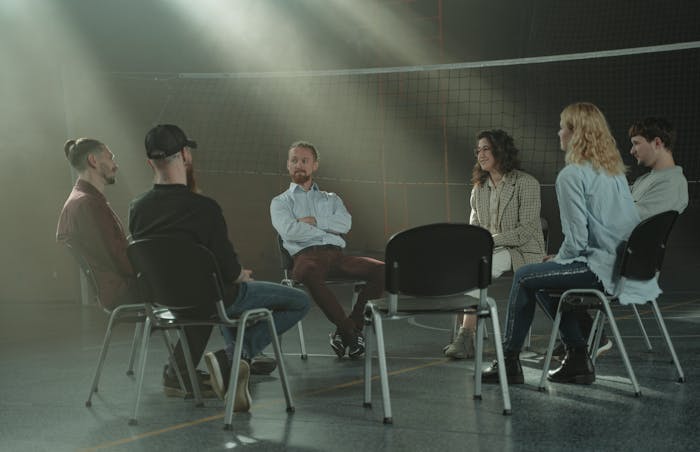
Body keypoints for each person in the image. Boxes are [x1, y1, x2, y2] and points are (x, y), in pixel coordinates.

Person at [129, 124, 310, 411]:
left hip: (169, 299)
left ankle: (180, 374)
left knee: (197, 293)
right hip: (215, 298)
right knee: (299, 301)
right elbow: (229, 271)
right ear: (186, 155)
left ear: (150, 161)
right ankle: (234, 356)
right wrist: (242, 275)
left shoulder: (136, 209)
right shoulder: (204, 208)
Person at [481, 102, 660, 385]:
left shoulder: (571, 175)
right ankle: (578, 355)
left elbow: (576, 243)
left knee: (528, 274)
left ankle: (509, 361)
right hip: (625, 267)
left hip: (599, 269)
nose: (558, 132)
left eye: (563, 126)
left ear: (576, 134)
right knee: (540, 275)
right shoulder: (613, 172)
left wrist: (557, 259)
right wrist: (557, 260)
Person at [57, 138, 215, 398]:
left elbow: (117, 252)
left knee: (187, 285)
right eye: (111, 157)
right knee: (205, 297)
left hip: (115, 289)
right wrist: (163, 269)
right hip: (125, 291)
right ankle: (179, 375)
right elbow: (121, 259)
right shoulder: (89, 204)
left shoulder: (80, 199)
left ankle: (181, 368)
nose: (115, 164)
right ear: (93, 161)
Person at [561, 117, 690, 361]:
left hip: (626, 269)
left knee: (541, 278)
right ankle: (578, 339)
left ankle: (583, 342)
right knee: (550, 269)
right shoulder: (645, 180)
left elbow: (626, 223)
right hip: (615, 260)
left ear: (657, 143)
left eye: (636, 143)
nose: (631, 150)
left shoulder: (673, 183)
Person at [270, 141, 385, 359]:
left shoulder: (331, 198)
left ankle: (349, 327)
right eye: (294, 160)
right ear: (287, 165)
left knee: (382, 270)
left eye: (305, 161)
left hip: (337, 256)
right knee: (306, 272)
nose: (299, 165)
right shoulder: (280, 202)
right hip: (306, 257)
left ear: (315, 166)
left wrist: (312, 221)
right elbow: (290, 231)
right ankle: (350, 333)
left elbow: (345, 225)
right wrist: (326, 228)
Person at [442, 130, 545, 359]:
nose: (480, 154)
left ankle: (466, 335)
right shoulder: (479, 189)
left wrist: (488, 241)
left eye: (486, 148)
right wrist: (473, 244)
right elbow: (475, 228)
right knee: (462, 265)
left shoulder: (526, 183)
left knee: (478, 268)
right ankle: (468, 334)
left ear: (501, 150)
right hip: (491, 248)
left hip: (522, 249)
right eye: (478, 150)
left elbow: (526, 231)